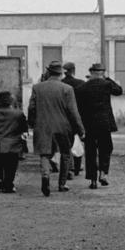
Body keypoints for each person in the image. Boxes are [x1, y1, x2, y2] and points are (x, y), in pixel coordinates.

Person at [27, 60, 85, 196]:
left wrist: (32, 123)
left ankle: (45, 177)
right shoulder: (67, 89)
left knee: (45, 154)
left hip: (43, 126)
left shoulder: (37, 88)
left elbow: (31, 108)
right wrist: (80, 130)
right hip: (63, 127)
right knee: (65, 154)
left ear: (49, 72)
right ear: (61, 74)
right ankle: (62, 184)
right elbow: (73, 112)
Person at [75, 62, 123, 189]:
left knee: (90, 151)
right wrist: (108, 79)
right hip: (104, 123)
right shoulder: (107, 84)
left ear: (91, 73)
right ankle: (103, 173)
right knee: (106, 148)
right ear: (102, 73)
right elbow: (119, 91)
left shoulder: (82, 87)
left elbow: (79, 108)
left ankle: (93, 180)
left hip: (88, 124)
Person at [61, 62, 86, 178]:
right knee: (78, 141)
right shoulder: (81, 83)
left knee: (66, 144)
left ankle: (69, 168)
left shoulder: (60, 84)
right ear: (73, 70)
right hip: (78, 115)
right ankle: (77, 167)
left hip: (64, 116)